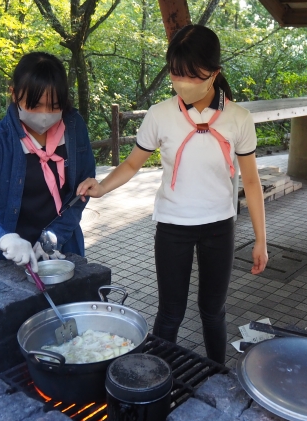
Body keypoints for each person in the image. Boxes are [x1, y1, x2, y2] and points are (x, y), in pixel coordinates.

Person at [77, 25, 268, 364]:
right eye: (177, 74)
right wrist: (102, 187)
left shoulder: (239, 118)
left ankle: (216, 376)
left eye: (192, 75)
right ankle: (156, 377)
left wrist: (260, 240)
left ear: (214, 74)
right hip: (172, 226)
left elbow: (251, 182)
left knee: (213, 312)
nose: (183, 83)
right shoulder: (160, 114)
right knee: (169, 314)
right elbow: (133, 164)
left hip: (219, 227)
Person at [0, 51, 95, 271]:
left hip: (63, 246)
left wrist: (55, 236)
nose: (44, 115)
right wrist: (1, 237)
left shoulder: (74, 128)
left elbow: (82, 190)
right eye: (35, 105)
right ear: (14, 94)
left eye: (54, 106)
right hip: (8, 255)